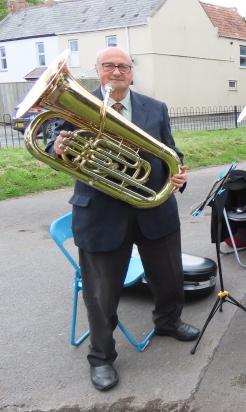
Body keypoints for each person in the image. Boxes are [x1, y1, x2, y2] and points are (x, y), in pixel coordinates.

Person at [46, 47, 198, 391]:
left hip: (153, 207)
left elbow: (171, 150)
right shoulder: (74, 103)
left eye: (124, 67)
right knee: (100, 294)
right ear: (97, 70)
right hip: (100, 213)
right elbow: (50, 135)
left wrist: (179, 172)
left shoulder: (155, 108)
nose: (117, 72)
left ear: (132, 71)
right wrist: (58, 144)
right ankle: (101, 356)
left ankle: (168, 322)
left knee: (170, 276)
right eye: (109, 66)